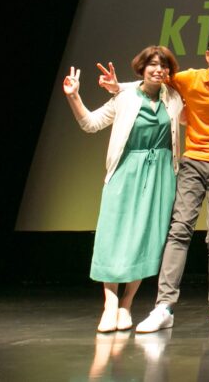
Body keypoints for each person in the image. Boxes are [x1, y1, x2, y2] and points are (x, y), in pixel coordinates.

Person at [98, 31, 209, 332]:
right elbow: (151, 81)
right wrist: (119, 88)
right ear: (208, 55)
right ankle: (164, 306)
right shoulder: (187, 79)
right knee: (179, 230)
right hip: (193, 162)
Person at [62, 46, 184, 332]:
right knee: (114, 235)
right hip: (126, 171)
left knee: (145, 238)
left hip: (161, 175)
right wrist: (74, 96)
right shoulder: (125, 97)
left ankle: (126, 305)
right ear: (141, 67)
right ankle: (110, 303)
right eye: (152, 65)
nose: (158, 70)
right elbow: (89, 124)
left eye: (164, 66)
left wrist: (119, 85)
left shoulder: (174, 97)